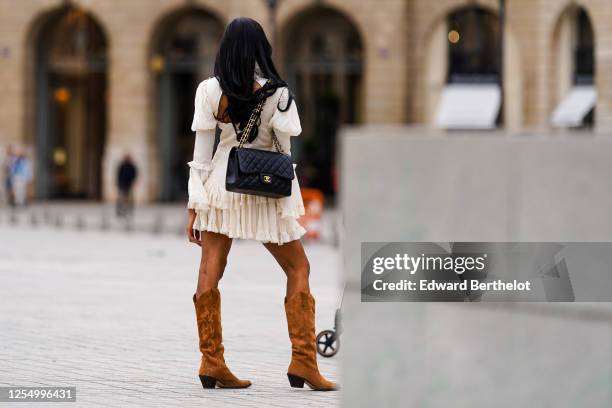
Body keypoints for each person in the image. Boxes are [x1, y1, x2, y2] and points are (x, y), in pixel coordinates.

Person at [185, 17, 337, 391]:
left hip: (222, 184)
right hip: (265, 188)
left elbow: (202, 155)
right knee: (298, 268)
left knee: (210, 271)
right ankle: (303, 361)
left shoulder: (209, 91)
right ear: (260, 49)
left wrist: (194, 204)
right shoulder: (279, 94)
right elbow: (284, 152)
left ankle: (211, 361)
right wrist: (291, 197)